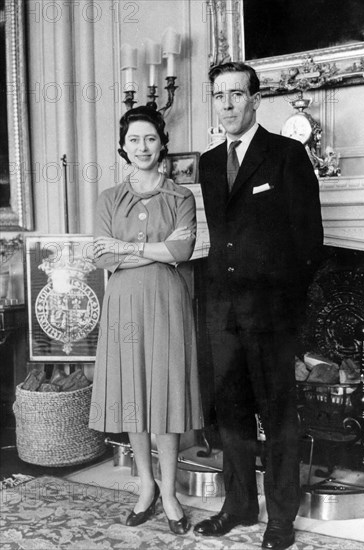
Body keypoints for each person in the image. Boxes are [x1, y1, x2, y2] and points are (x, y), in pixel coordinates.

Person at [193, 63, 323, 550]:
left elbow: (310, 241)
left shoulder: (287, 155)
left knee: (279, 417)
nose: (226, 104)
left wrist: (287, 311)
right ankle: (239, 504)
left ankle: (281, 519)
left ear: (255, 100)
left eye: (236, 94)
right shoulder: (208, 163)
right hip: (223, 314)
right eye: (219, 94)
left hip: (271, 315)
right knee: (231, 415)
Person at [89, 106, 203, 535]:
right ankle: (147, 488)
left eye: (150, 139)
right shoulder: (108, 199)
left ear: (162, 144)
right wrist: (152, 248)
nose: (142, 147)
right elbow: (101, 256)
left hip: (167, 302)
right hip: (124, 305)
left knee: (165, 395)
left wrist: (126, 248)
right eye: (134, 140)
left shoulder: (181, 197)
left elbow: (181, 253)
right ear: (123, 147)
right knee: (134, 394)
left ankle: (170, 493)